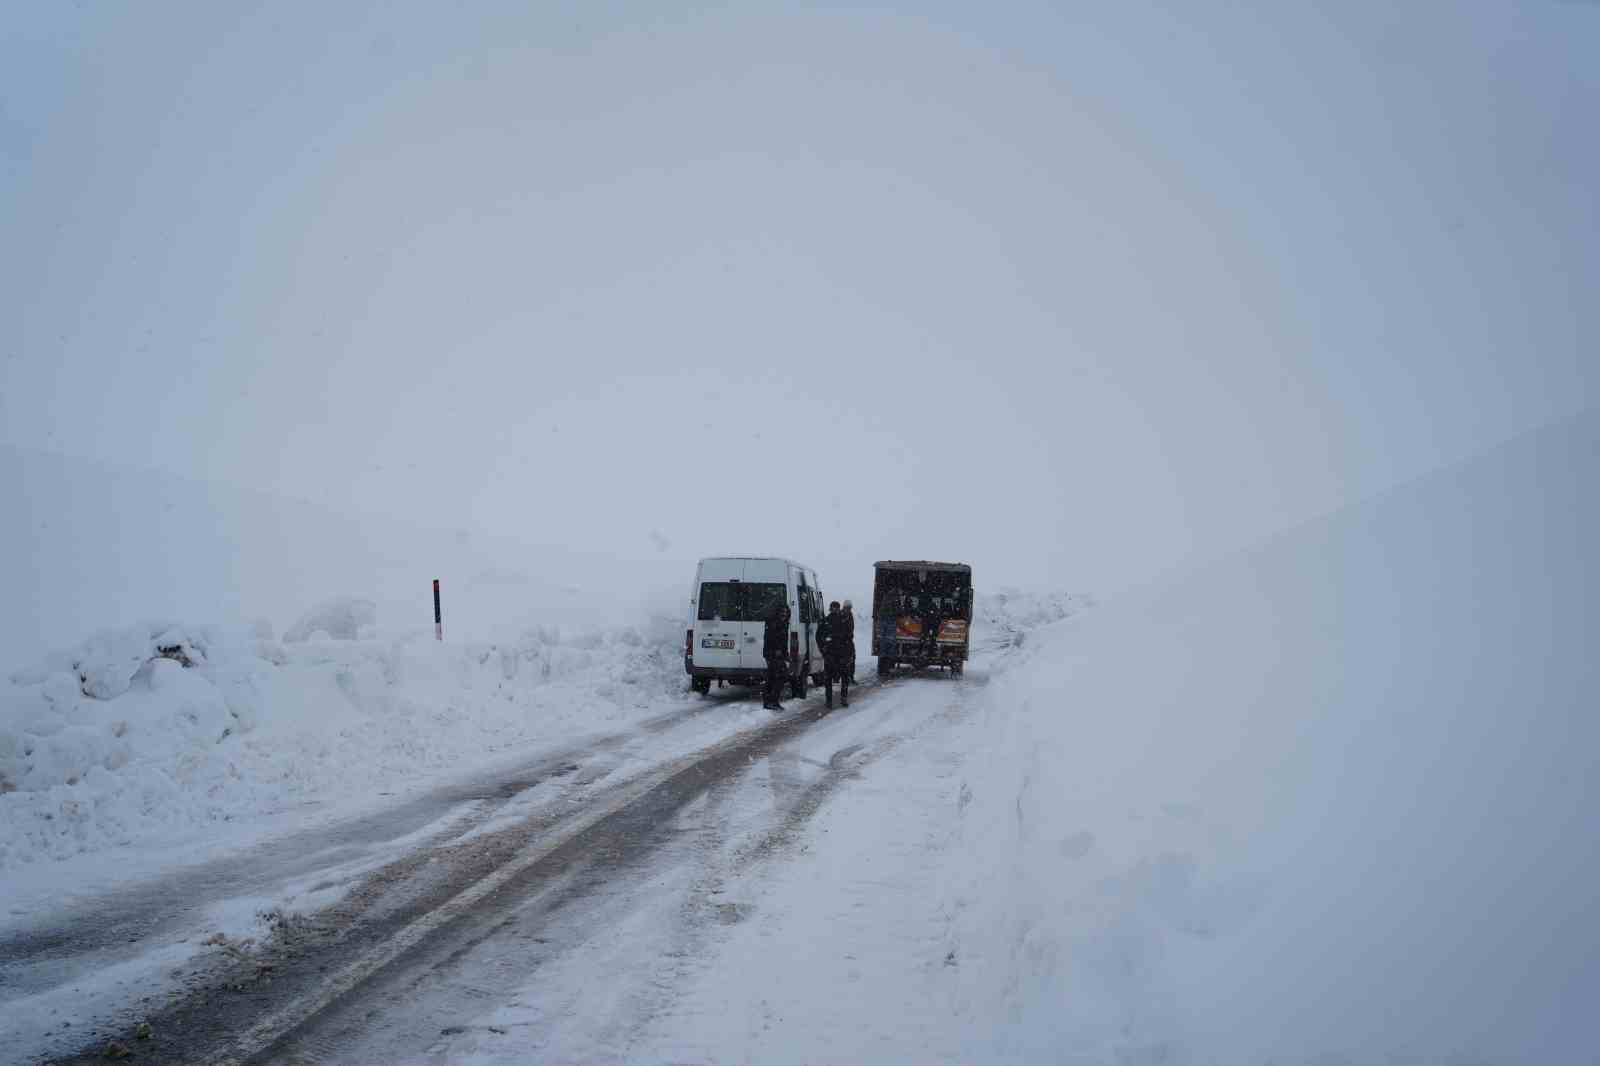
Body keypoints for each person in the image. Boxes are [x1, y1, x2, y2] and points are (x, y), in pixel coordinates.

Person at [818, 600, 854, 709]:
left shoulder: (843, 620)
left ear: (839, 609)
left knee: (843, 677)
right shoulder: (826, 621)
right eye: (833, 608)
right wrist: (823, 649)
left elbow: (849, 637)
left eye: (836, 608)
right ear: (831, 609)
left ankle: (842, 698)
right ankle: (829, 700)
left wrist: (849, 653)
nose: (835, 610)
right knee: (829, 678)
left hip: (841, 654)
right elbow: (819, 636)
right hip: (831, 654)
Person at [762, 601, 790, 710]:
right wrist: (775, 651)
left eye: (786, 613)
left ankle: (771, 701)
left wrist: (785, 653)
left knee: (774, 677)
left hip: (778, 654)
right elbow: (770, 639)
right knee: (778, 676)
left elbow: (783, 641)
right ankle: (771, 701)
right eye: (782, 613)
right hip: (772, 654)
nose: (784, 615)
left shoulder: (784, 623)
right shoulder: (773, 623)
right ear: (778, 613)